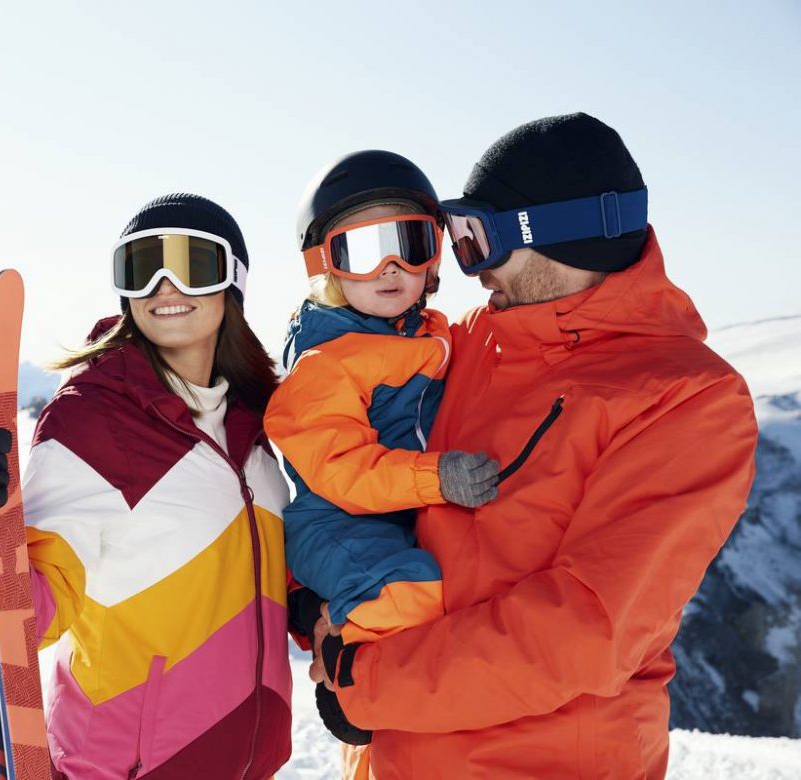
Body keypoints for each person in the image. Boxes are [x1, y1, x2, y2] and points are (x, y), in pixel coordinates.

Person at [307, 113, 759, 778]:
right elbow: (345, 450)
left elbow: (586, 628)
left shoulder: (685, 398)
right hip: (398, 754)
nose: (471, 269)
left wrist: (369, 684)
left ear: (553, 236)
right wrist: (312, 593)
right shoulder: (468, 344)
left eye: (478, 239)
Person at [0, 194, 294, 779]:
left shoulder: (258, 421)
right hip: (129, 766)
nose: (165, 287)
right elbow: (31, 616)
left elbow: (260, 567)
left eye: (193, 264)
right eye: (142, 268)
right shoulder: (93, 421)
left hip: (250, 762)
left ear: (233, 282)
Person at [264, 150, 499, 745]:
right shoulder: (326, 363)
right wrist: (437, 479)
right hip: (336, 522)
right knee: (407, 588)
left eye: (410, 243)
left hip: (395, 517)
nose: (391, 267)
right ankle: (339, 663)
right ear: (327, 266)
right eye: (363, 252)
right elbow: (339, 470)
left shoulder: (433, 334)